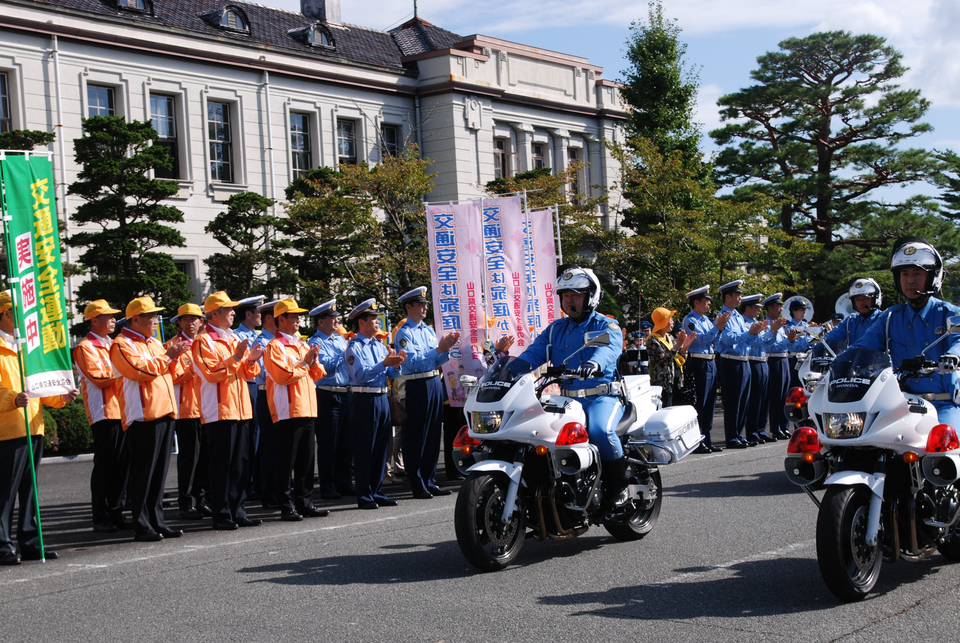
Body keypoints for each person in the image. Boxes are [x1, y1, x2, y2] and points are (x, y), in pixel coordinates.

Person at [505, 267, 627, 501]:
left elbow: (609, 349)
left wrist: (594, 363)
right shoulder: (555, 330)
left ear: (591, 296)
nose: (569, 299)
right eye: (566, 295)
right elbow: (533, 353)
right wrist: (509, 370)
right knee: (539, 432)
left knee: (600, 430)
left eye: (576, 294)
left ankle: (617, 486)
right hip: (568, 399)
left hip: (601, 397)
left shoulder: (605, 325)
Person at [0, 291, 77, 564]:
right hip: (8, 430)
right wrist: (12, 398)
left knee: (29, 490)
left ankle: (31, 543)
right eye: (19, 312)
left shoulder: (27, 348)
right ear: (7, 313)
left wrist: (60, 395)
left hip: (33, 427)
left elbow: (39, 386)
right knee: (5, 491)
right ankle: (2, 545)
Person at [851, 237, 960, 426]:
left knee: (945, 445)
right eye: (904, 274)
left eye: (918, 273)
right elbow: (863, 347)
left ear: (933, 277)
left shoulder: (949, 313)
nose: (910, 280)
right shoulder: (891, 317)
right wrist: (836, 363)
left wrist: (953, 356)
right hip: (900, 404)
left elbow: (959, 339)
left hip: (943, 403)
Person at [110, 296, 188, 542]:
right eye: (151, 316)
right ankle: (142, 525)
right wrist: (168, 357)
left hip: (164, 411)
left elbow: (168, 371)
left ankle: (157, 521)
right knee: (143, 473)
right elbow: (138, 371)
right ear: (135, 319)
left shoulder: (153, 342)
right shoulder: (121, 344)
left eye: (156, 315)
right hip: (143, 416)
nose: (156, 320)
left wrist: (174, 358)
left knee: (158, 473)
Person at [192, 291, 263, 530]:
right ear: (214, 314)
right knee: (222, 465)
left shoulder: (232, 337)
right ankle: (221, 513)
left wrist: (251, 360)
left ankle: (237, 510)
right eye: (229, 309)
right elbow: (212, 373)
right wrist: (237, 357)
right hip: (220, 410)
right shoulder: (203, 341)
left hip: (241, 408)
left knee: (240, 464)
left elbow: (245, 373)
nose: (234, 312)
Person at [394, 287, 461, 500]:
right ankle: (417, 482)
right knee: (417, 434)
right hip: (417, 383)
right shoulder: (405, 333)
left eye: (425, 303)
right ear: (409, 307)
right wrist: (438, 350)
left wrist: (446, 348)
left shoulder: (428, 330)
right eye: (420, 304)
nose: (425, 307)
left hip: (433, 380)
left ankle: (429, 479)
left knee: (433, 433)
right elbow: (412, 363)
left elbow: (438, 360)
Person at [264, 298, 328, 520]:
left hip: (307, 408)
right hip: (288, 410)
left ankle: (305, 501)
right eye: (294, 316)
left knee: (306, 461)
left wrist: (313, 361)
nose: (298, 320)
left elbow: (317, 374)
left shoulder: (301, 344)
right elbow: (282, 376)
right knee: (286, 461)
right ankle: (286, 504)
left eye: (298, 316)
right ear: (281, 319)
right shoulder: (274, 346)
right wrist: (305, 363)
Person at [73, 299, 130, 533]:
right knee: (105, 466)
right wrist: (128, 372)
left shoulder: (114, 343)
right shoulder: (85, 347)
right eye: (108, 316)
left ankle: (116, 511)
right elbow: (99, 379)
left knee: (122, 466)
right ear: (94, 320)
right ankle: (99, 516)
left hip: (123, 410)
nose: (114, 319)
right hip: (104, 412)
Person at [344, 299, 406, 510]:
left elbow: (389, 373)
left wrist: (396, 364)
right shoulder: (354, 347)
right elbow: (360, 375)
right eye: (373, 318)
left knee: (382, 447)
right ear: (362, 322)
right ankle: (364, 494)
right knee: (365, 448)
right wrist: (383, 364)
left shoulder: (379, 345)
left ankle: (377, 490)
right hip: (364, 398)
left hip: (381, 397)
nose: (377, 321)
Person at [308, 299, 356, 499]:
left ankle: (344, 482)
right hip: (327, 393)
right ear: (321, 321)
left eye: (337, 317)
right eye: (332, 318)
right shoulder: (314, 342)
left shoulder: (339, 340)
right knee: (329, 443)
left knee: (346, 442)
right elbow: (323, 368)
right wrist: (343, 355)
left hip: (346, 392)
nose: (337, 321)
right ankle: (327, 486)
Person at [167, 303, 210, 520]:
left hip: (207, 408)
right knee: (189, 460)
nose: (190, 323)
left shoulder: (205, 342)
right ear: (179, 323)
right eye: (185, 319)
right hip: (187, 409)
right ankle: (186, 503)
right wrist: (194, 369)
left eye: (194, 319)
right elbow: (171, 376)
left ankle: (201, 499)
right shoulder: (173, 346)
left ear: (201, 321)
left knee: (204, 459)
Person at [715, 280, 769, 449]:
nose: (740, 298)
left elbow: (750, 342)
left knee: (743, 401)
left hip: (744, 361)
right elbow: (727, 339)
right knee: (733, 401)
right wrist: (749, 333)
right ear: (728, 296)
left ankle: (738, 433)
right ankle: (731, 436)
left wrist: (756, 333)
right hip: (731, 362)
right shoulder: (723, 316)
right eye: (737, 295)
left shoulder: (737, 316)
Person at [682, 286, 729, 454]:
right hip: (699, 362)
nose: (709, 303)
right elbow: (701, 340)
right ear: (696, 302)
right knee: (700, 403)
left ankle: (707, 439)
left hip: (710, 362)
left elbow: (713, 340)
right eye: (706, 300)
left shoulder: (706, 320)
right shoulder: (690, 320)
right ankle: (698, 440)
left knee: (709, 403)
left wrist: (716, 329)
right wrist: (717, 328)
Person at [742, 294, 786, 444]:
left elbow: (766, 344)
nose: (758, 311)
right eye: (756, 308)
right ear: (748, 308)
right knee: (754, 400)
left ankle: (760, 430)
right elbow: (753, 343)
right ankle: (752, 431)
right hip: (753, 361)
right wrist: (771, 331)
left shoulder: (757, 322)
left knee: (763, 400)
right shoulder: (746, 323)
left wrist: (772, 332)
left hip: (763, 360)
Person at [234, 295, 265, 501]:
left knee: (258, 435)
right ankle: (246, 482)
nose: (261, 316)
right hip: (246, 386)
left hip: (258, 388)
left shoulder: (258, 335)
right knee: (248, 437)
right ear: (248, 314)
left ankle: (255, 480)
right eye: (258, 313)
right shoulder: (237, 336)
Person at [250, 299, 280, 508]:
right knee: (269, 446)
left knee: (282, 447)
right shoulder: (261, 342)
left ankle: (279, 490)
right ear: (270, 318)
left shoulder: (283, 341)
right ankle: (268, 494)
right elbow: (261, 372)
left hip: (283, 395)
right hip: (267, 393)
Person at [763, 293, 804, 440]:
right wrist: (789, 341)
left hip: (784, 360)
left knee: (785, 397)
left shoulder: (780, 324)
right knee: (776, 397)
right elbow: (772, 347)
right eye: (778, 307)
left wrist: (790, 340)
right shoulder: (768, 325)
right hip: (774, 361)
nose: (781, 309)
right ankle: (775, 428)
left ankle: (783, 426)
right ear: (770, 308)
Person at [646, 307, 694, 408]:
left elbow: (680, 359)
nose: (672, 322)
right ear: (663, 322)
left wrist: (684, 347)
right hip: (662, 383)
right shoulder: (653, 340)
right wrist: (677, 345)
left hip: (675, 380)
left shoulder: (670, 337)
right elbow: (664, 360)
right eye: (670, 319)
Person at [826, 278, 883, 348]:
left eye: (865, 298)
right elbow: (831, 337)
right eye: (857, 299)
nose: (861, 303)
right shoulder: (850, 320)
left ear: (876, 298)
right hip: (852, 358)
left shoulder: (884, 319)